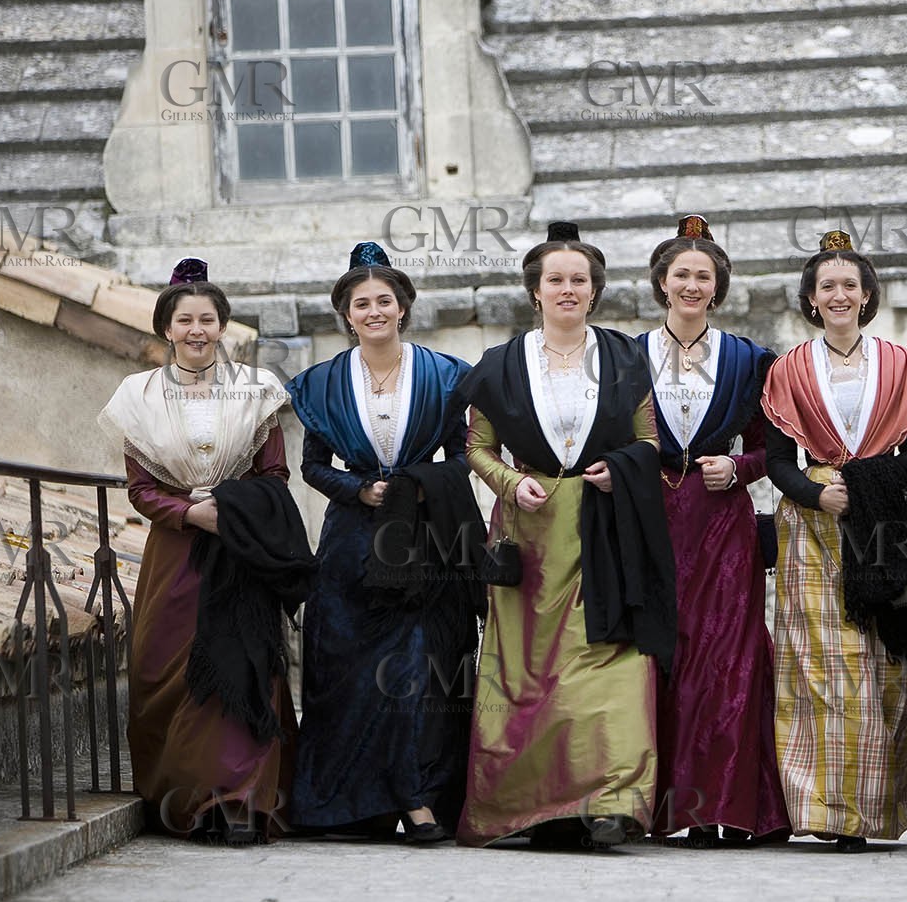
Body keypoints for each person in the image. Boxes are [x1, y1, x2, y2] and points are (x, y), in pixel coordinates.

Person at [454, 221, 677, 849]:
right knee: (530, 674)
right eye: (556, 279)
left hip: (606, 531)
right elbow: (476, 445)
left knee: (614, 663)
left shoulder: (627, 358)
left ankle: (611, 802)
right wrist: (507, 483)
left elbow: (650, 440)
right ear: (536, 291)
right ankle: (539, 805)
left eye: (580, 280)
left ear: (595, 290)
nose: (568, 289)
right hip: (531, 533)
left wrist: (621, 469)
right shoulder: (500, 365)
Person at [761, 230, 907, 852]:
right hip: (815, 530)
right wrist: (816, 493)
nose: (840, 294)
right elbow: (776, 460)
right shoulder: (788, 369)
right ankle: (830, 807)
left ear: (868, 294)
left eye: (851, 284)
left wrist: (894, 496)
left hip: (886, 524)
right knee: (825, 666)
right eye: (828, 286)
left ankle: (881, 804)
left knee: (891, 664)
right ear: (812, 299)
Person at [285, 243, 482, 845]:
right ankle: (353, 805)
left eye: (384, 301)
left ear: (403, 308)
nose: (374, 311)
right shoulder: (319, 385)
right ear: (346, 314)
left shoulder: (446, 375)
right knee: (350, 673)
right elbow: (312, 466)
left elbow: (464, 455)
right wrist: (358, 490)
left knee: (425, 671)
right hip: (351, 542)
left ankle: (420, 799)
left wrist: (418, 489)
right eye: (361, 303)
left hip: (427, 541)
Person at [98, 257, 299, 843]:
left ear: (222, 326)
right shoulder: (138, 396)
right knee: (171, 668)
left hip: (239, 554)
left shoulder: (257, 391)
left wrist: (229, 512)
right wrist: (190, 513)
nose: (197, 330)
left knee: (244, 665)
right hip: (176, 556)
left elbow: (275, 473)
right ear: (167, 328)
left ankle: (241, 801)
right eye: (185, 319)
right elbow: (140, 489)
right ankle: (189, 802)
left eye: (207, 320)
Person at [637, 215, 789, 848]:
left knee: (728, 659)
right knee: (660, 658)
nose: (692, 285)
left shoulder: (750, 359)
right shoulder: (626, 354)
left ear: (718, 287)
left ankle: (731, 806)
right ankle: (672, 809)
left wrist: (740, 465)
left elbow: (776, 450)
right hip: (650, 520)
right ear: (662, 284)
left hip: (723, 522)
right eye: (682, 274)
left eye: (704, 275)